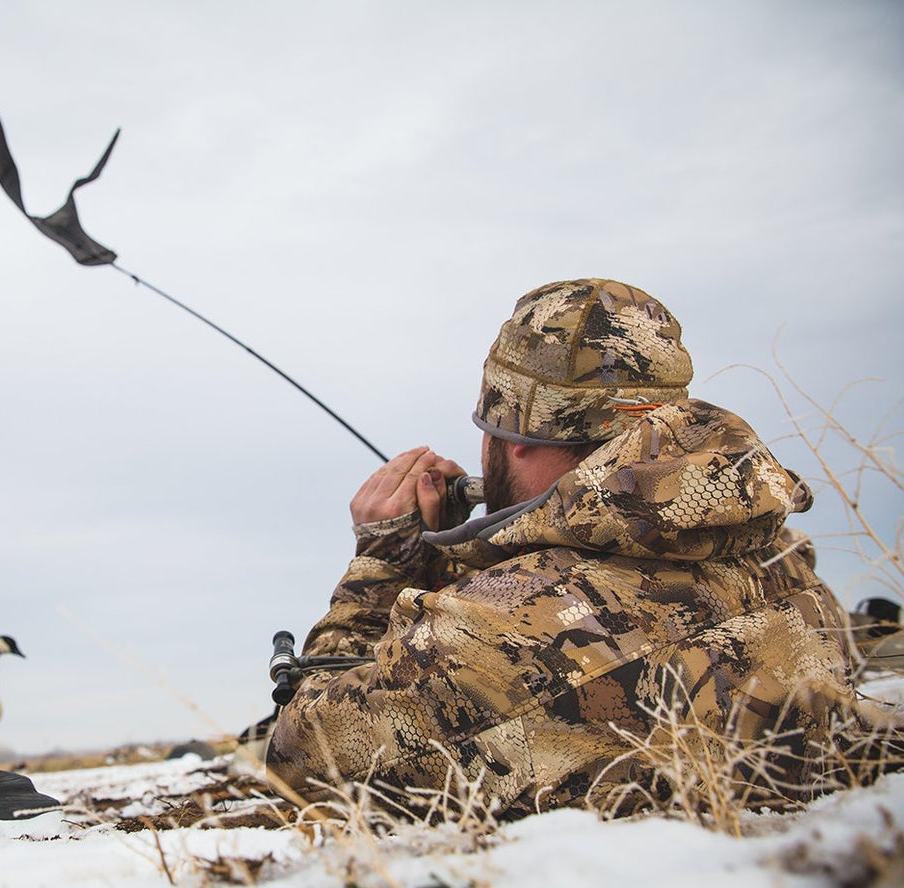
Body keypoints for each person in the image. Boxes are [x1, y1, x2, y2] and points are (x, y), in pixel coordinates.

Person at [265, 278, 855, 815]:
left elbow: (303, 759)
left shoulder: (493, 633)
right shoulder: (784, 559)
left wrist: (381, 568)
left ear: (516, 436)